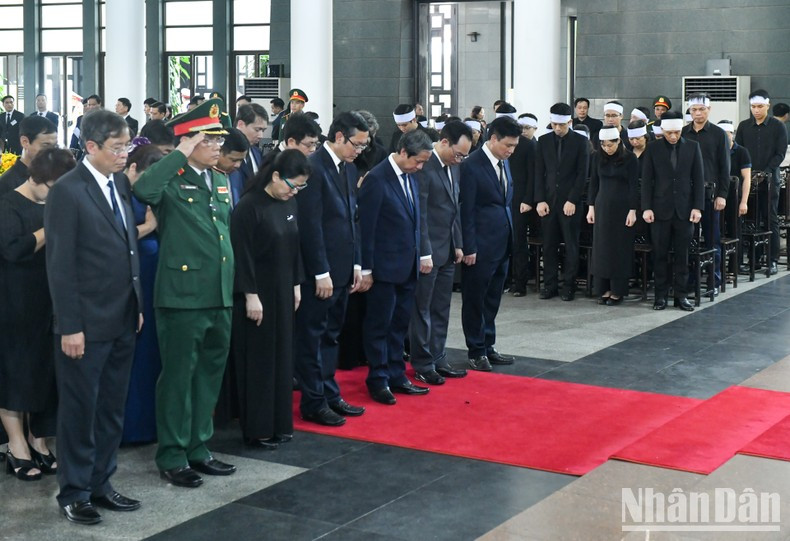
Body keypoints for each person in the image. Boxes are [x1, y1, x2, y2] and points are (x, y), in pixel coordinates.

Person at [45, 109, 143, 524]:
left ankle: (102, 482)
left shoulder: (118, 182)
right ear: (91, 146)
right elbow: (60, 265)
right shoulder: (68, 191)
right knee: (80, 410)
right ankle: (75, 491)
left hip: (121, 316)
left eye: (126, 146)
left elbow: (126, 246)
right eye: (116, 148)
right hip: (84, 324)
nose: (124, 155)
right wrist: (70, 326)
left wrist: (135, 304)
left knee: (110, 408)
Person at [133, 98, 236, 488]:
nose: (218, 148)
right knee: (178, 377)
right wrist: (180, 153)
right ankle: (173, 454)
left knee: (209, 375)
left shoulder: (222, 179)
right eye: (210, 141)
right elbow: (144, 188)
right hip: (182, 295)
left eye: (219, 141)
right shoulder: (172, 178)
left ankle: (199, 447)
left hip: (219, 292)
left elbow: (225, 233)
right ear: (189, 142)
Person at [0, 148, 75, 482]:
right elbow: (14, 249)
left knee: (47, 371)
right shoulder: (8, 203)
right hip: (15, 300)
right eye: (51, 188)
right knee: (16, 372)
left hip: (51, 299)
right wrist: (51, 225)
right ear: (35, 178)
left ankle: (39, 440)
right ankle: (16, 446)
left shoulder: (55, 202)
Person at [294, 112, 368, 427]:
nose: (359, 150)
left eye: (365, 146)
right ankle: (313, 400)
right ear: (339, 137)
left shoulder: (348, 169)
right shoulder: (313, 167)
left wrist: (356, 263)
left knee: (332, 336)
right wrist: (320, 271)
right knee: (313, 337)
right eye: (357, 144)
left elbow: (352, 219)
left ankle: (329, 392)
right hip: (321, 274)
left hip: (342, 269)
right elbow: (310, 226)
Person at [231, 150, 309, 447]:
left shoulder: (289, 203)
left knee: (282, 359)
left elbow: (294, 246)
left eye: (300, 187)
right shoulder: (249, 207)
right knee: (260, 362)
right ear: (275, 176)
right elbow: (243, 255)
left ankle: (280, 422)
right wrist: (250, 295)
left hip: (283, 289)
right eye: (292, 185)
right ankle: (258, 427)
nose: (294, 191)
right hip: (258, 294)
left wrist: (296, 285)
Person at [359, 129, 433, 403]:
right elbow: (366, 228)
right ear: (403, 152)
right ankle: (378, 379)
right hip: (383, 269)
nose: (420, 167)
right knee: (380, 325)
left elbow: (416, 220)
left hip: (407, 266)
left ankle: (396, 374)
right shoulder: (377, 179)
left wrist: (422, 254)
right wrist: (365, 268)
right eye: (418, 161)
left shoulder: (410, 177)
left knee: (400, 325)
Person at [408, 121, 471, 385]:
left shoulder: (453, 167)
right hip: (428, 252)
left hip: (447, 249)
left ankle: (438, 355)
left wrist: (458, 243)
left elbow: (453, 208)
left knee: (442, 306)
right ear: (444, 142)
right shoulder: (425, 165)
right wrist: (424, 252)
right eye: (458, 153)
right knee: (422, 308)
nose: (461, 159)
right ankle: (422, 361)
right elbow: (420, 214)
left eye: (465, 155)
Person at [459, 116, 520, 371]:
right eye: (507, 145)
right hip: (480, 246)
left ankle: (488, 344)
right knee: (475, 299)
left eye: (514, 146)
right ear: (493, 138)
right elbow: (466, 210)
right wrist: (469, 247)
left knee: (493, 297)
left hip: (502, 242)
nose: (511, 150)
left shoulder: (503, 162)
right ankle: (475, 349)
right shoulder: (472, 165)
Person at [120, 143, 164, 445]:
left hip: (155, 281)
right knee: (132, 359)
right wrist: (149, 227)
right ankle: (128, 428)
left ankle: (151, 424)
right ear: (133, 168)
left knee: (152, 355)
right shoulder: (120, 193)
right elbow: (113, 236)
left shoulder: (152, 195)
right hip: (130, 282)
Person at [641, 110, 704, 311]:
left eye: (677, 132)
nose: (674, 136)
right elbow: (646, 182)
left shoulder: (693, 147)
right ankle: (660, 296)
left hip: (685, 210)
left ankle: (681, 296)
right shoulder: (653, 149)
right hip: (659, 210)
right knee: (659, 255)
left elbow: (699, 180)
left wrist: (697, 207)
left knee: (682, 256)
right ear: (662, 130)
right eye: (669, 133)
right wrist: (646, 208)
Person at [534, 102, 590, 302]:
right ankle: (550, 286)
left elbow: (582, 174)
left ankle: (569, 286)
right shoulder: (543, 141)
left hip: (570, 203)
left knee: (571, 246)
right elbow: (539, 173)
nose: (558, 129)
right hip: (548, 203)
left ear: (570, 122)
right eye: (554, 125)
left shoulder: (580, 142)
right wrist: (540, 199)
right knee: (549, 246)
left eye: (562, 125)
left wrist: (573, 199)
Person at [735, 89, 788, 275]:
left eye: (760, 106)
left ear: (768, 106)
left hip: (769, 179)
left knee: (769, 218)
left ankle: (772, 259)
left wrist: (765, 173)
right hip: (748, 179)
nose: (756, 110)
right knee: (750, 219)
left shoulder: (777, 126)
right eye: (753, 107)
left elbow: (780, 154)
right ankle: (754, 258)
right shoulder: (743, 126)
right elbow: (739, 151)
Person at [682, 92, 731, 293]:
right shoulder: (684, 132)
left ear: (709, 110)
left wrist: (722, 195)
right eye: (694, 110)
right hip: (687, 194)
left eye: (702, 109)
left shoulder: (719, 134)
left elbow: (724, 167)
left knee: (712, 238)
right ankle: (692, 278)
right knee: (689, 239)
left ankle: (714, 280)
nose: (698, 113)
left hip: (711, 194)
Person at [586, 127, 639, 305]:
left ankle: (618, 290)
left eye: (610, 145)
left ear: (619, 142)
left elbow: (634, 186)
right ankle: (603, 289)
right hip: (602, 206)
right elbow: (593, 183)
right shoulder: (596, 157)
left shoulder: (630, 158)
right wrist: (591, 207)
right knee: (602, 248)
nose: (607, 148)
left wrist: (633, 210)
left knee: (619, 249)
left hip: (622, 207)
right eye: (604, 145)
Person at [512, 115, 538, 296]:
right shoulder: (496, 144)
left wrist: (528, 200)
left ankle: (520, 282)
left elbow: (533, 177)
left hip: (521, 201)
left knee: (519, 242)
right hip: (504, 200)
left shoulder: (529, 146)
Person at [0, 116, 57, 196]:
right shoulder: (7, 183)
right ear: (25, 142)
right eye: (45, 145)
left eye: (54, 146)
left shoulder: (54, 176)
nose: (51, 152)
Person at [228, 103, 269, 206]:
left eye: (263, 130)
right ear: (241, 124)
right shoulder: (225, 152)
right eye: (257, 129)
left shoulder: (256, 152)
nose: (261, 136)